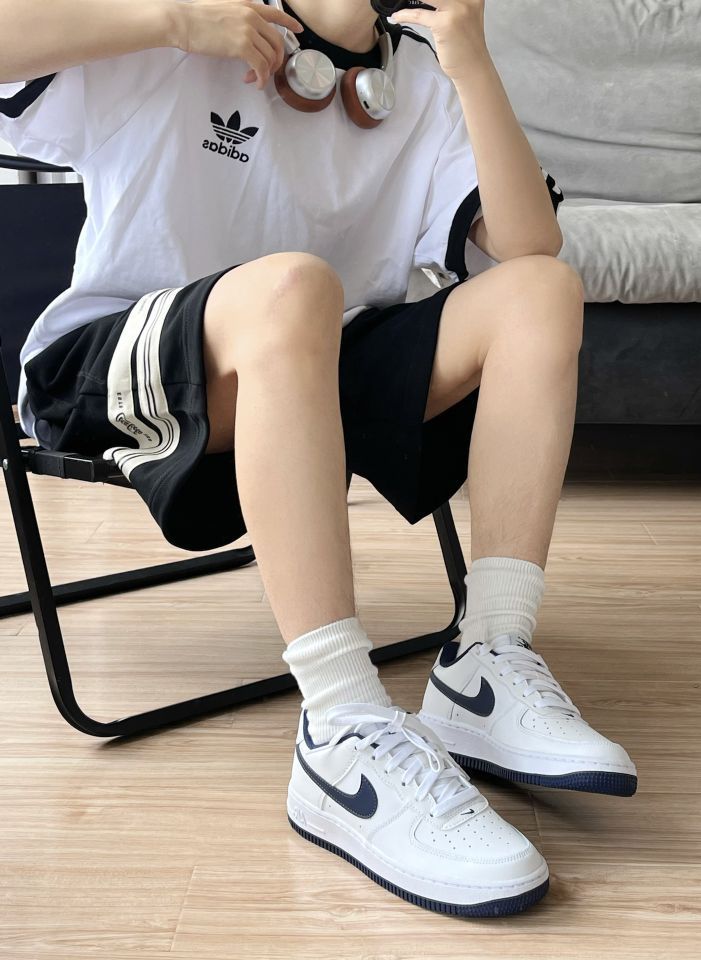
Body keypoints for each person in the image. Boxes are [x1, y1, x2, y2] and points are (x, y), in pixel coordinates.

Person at [0, 0, 636, 916]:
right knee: (297, 284)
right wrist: (170, 21)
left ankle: (489, 658)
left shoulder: (419, 78)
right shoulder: (190, 19)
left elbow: (532, 246)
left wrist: (470, 58)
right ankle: (341, 727)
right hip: (117, 364)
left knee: (542, 291)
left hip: (310, 368)